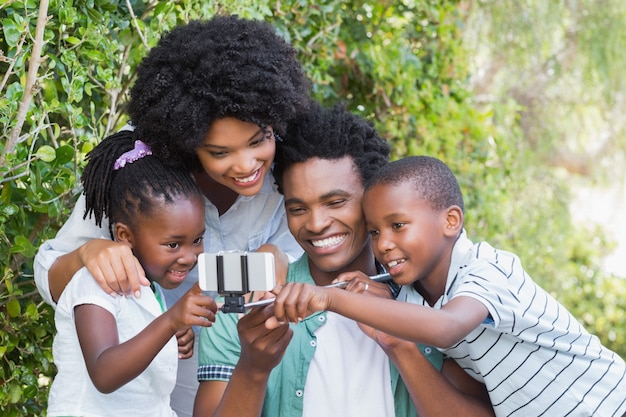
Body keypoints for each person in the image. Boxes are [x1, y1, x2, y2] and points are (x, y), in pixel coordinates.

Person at [34, 16, 310, 416]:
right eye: (220, 153)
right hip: (155, 393)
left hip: (258, 384)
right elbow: (54, 281)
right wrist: (87, 254)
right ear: (185, 141)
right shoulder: (142, 176)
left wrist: (279, 256)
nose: (247, 165)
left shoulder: (289, 171)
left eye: (258, 140)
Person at [193, 105, 495, 417]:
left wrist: (400, 346)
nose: (316, 223)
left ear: (373, 200)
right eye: (298, 209)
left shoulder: (429, 301)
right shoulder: (245, 311)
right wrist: (253, 369)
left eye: (336, 202)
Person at [269, 155, 626, 417]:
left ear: (451, 221)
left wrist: (327, 297)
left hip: (605, 406)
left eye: (398, 225)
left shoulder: (487, 269)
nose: (383, 244)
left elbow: (445, 329)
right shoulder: (413, 296)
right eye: (375, 231)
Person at [46, 131, 217, 416]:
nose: (189, 256)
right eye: (173, 244)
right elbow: (105, 372)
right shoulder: (95, 284)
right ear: (125, 235)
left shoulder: (150, 286)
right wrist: (170, 321)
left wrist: (171, 330)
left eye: (198, 239)